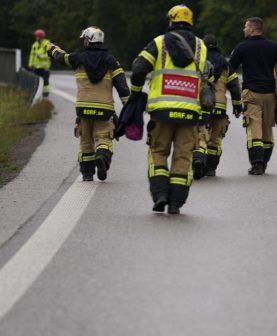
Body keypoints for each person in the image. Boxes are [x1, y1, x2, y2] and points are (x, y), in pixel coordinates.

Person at [130, 4, 208, 214]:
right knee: (183, 157)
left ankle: (160, 194)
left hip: (162, 112)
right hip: (190, 113)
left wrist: (136, 92)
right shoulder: (201, 46)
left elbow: (138, 68)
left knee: (158, 152)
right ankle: (176, 203)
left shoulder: (159, 42)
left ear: (171, 21)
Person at [47, 27, 130, 182]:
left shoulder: (78, 58)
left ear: (88, 40)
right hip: (104, 110)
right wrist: (128, 108)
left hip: (83, 109)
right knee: (104, 138)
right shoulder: (112, 61)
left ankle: (87, 173)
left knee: (85, 141)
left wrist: (52, 48)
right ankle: (101, 156)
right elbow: (122, 87)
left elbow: (60, 57)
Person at [228, 17, 277, 175]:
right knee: (267, 130)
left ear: (253, 29)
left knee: (254, 129)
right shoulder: (273, 46)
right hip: (270, 95)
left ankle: (257, 164)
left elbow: (230, 68)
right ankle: (265, 162)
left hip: (252, 93)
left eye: (246, 26)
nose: (244, 29)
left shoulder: (242, 47)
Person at [202, 34, 242, 177]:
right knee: (215, 139)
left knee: (200, 134)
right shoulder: (226, 65)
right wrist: (237, 106)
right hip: (219, 106)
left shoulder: (199, 61)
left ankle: (198, 163)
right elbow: (235, 87)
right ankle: (211, 169)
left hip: (202, 105)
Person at [28, 29, 52, 97]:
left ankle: (45, 94)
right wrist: (30, 63)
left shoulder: (47, 44)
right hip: (36, 67)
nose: (36, 37)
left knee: (45, 81)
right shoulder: (34, 45)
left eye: (37, 36)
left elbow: (49, 55)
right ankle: (37, 94)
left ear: (41, 37)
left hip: (45, 67)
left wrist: (41, 56)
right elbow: (32, 55)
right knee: (36, 81)